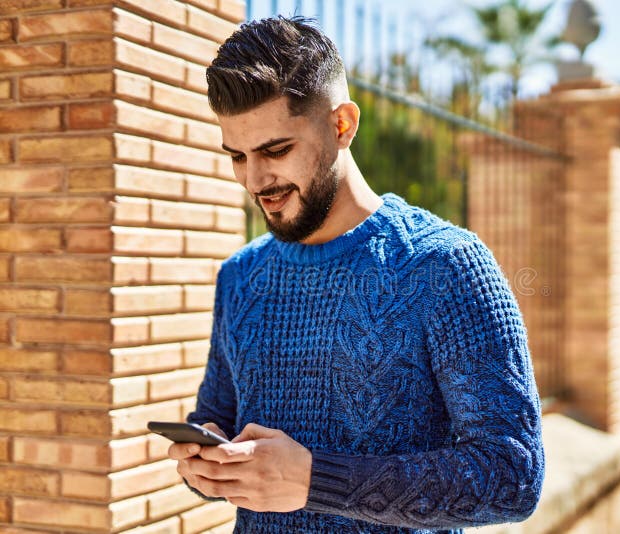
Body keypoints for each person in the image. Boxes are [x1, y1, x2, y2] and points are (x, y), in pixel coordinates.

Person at [168, 15, 545, 534]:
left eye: (276, 151)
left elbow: (513, 475)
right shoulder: (241, 276)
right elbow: (217, 420)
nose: (255, 180)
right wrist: (204, 462)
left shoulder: (444, 265)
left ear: (342, 124)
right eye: (237, 156)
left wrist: (314, 480)